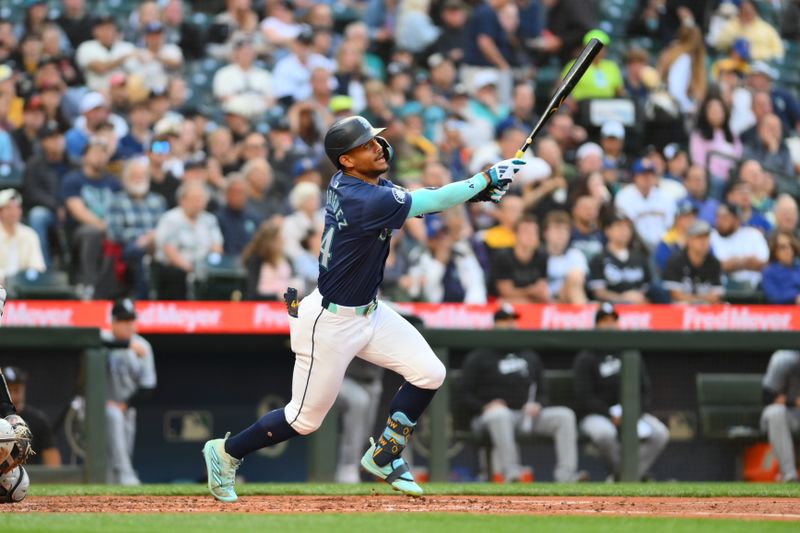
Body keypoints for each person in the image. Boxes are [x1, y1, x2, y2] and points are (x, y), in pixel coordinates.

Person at [201, 115, 524, 501]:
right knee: (303, 420)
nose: (377, 146)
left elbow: (418, 202)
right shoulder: (363, 197)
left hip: (369, 311)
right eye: (366, 144)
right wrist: (483, 180)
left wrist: (476, 195)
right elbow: (432, 199)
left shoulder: (365, 185)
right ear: (346, 161)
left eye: (375, 140)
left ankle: (386, 454)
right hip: (330, 322)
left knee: (429, 372)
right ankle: (225, 452)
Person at [460, 304, 587, 482]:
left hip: (525, 415)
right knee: (499, 414)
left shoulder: (529, 355)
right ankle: (512, 473)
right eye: (504, 320)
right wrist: (485, 406)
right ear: (495, 324)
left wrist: (539, 404)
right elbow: (464, 394)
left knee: (564, 415)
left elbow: (543, 392)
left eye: (512, 320)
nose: (510, 324)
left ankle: (566, 475)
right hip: (491, 417)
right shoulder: (479, 355)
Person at [573, 303, 670, 481]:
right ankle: (627, 475)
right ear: (596, 325)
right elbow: (583, 396)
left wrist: (634, 413)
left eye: (612, 321)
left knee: (660, 433)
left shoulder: (629, 352)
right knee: (605, 434)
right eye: (604, 321)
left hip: (631, 412)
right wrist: (609, 414)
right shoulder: (586, 356)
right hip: (598, 414)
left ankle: (625, 475)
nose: (609, 325)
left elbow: (645, 391)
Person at [101, 299, 157, 485]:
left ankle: (117, 482)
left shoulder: (143, 346)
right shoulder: (104, 338)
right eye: (123, 320)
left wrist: (124, 405)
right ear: (113, 321)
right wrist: (125, 346)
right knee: (114, 416)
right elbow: (92, 341)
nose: (128, 324)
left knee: (122, 449)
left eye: (131, 319)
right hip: (98, 405)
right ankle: (126, 475)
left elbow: (148, 387)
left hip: (127, 406)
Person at [61, 138, 120, 300]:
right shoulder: (73, 180)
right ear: (84, 156)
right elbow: (77, 210)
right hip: (79, 231)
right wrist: (103, 226)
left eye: (103, 153)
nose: (100, 157)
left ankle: (116, 289)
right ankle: (88, 285)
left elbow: (120, 208)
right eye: (95, 152)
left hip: (110, 228)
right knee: (92, 233)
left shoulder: (113, 182)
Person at [106, 158, 167, 300]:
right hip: (129, 248)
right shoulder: (116, 201)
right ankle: (141, 300)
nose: (139, 179)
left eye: (142, 175)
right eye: (134, 175)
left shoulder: (158, 201)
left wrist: (152, 238)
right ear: (125, 179)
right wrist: (144, 238)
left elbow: (166, 227)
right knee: (139, 255)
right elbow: (114, 233)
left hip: (159, 245)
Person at [153, 181, 224, 300]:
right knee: (177, 276)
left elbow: (217, 246)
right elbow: (169, 250)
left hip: (204, 268)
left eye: (201, 199)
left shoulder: (209, 220)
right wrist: (190, 269)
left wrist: (212, 263)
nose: (198, 203)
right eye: (194, 199)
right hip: (177, 268)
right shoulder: (170, 219)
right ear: (182, 200)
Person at [334, 357, 385, 484]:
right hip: (344, 378)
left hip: (373, 382)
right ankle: (347, 467)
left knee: (365, 434)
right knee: (359, 401)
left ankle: (353, 466)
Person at [2, 365, 60, 467]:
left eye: (16, 390)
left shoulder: (38, 420)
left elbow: (53, 465)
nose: (13, 396)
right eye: (7, 391)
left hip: (30, 479)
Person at [614, 158, 675, 251]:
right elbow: (623, 226)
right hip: (635, 246)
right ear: (635, 177)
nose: (647, 178)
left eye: (651, 174)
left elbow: (670, 225)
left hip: (662, 246)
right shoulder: (623, 197)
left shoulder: (665, 197)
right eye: (643, 174)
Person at [588, 213, 652, 304]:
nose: (624, 231)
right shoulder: (599, 258)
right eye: (619, 226)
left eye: (627, 227)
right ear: (607, 231)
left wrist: (637, 296)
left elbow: (647, 286)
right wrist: (623, 299)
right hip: (611, 308)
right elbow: (599, 292)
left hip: (640, 306)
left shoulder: (640, 257)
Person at [490, 215, 550, 303]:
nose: (531, 236)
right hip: (502, 301)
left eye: (534, 232)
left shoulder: (542, 255)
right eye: (526, 232)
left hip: (531, 300)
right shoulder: (503, 256)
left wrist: (536, 292)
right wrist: (530, 291)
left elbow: (541, 288)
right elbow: (505, 291)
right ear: (515, 234)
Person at [760, 350, 800, 482]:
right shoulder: (783, 360)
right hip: (783, 417)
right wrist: (794, 401)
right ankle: (789, 475)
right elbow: (767, 398)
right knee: (776, 412)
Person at [662, 220, 724, 304]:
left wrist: (697, 300)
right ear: (689, 240)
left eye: (706, 237)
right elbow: (675, 295)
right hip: (680, 310)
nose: (703, 242)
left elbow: (716, 296)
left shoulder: (714, 263)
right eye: (699, 237)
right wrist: (699, 300)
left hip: (706, 310)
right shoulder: (675, 261)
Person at [711, 202, 769, 290]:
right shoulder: (711, 236)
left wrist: (732, 264)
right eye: (717, 217)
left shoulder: (753, 234)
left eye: (724, 217)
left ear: (737, 219)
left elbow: (764, 264)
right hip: (721, 289)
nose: (719, 221)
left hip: (754, 289)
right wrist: (746, 262)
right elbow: (715, 267)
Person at [689, 95, 742, 193]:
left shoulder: (732, 136)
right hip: (709, 176)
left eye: (719, 111)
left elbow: (737, 158)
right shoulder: (699, 135)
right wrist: (715, 173)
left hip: (729, 177)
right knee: (716, 181)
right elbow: (698, 160)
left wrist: (729, 174)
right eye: (712, 111)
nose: (716, 114)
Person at [657, 25, 707, 116]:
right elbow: (675, 91)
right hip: (675, 113)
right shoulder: (683, 59)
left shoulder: (673, 54)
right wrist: (688, 106)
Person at [712, 0, 784, 62]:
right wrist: (740, 30)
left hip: (760, 64)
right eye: (744, 10)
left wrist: (758, 56)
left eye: (749, 11)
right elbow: (719, 44)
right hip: (734, 64)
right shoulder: (732, 25)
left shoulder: (766, 29)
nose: (746, 13)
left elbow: (778, 52)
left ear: (755, 11)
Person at [0, 189, 45, 285]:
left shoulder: (29, 234)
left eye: (17, 208)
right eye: (8, 208)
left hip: (24, 288)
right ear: (1, 211)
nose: (13, 212)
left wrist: (24, 278)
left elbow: (37, 266)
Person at [542, 211, 588, 304]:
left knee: (574, 276)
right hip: (543, 299)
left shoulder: (575, 255)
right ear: (545, 233)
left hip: (567, 297)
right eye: (557, 229)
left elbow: (580, 280)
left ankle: (582, 313)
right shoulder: (538, 256)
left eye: (565, 230)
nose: (561, 234)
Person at [654, 198, 697, 273]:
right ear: (677, 219)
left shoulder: (700, 237)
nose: (691, 219)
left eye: (692, 216)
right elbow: (663, 265)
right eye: (686, 216)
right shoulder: (667, 240)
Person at [762, 233, 800, 305]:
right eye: (783, 247)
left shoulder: (798, 267)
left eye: (790, 246)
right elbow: (773, 296)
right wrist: (795, 297)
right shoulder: (769, 272)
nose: (788, 250)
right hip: (782, 312)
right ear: (775, 251)